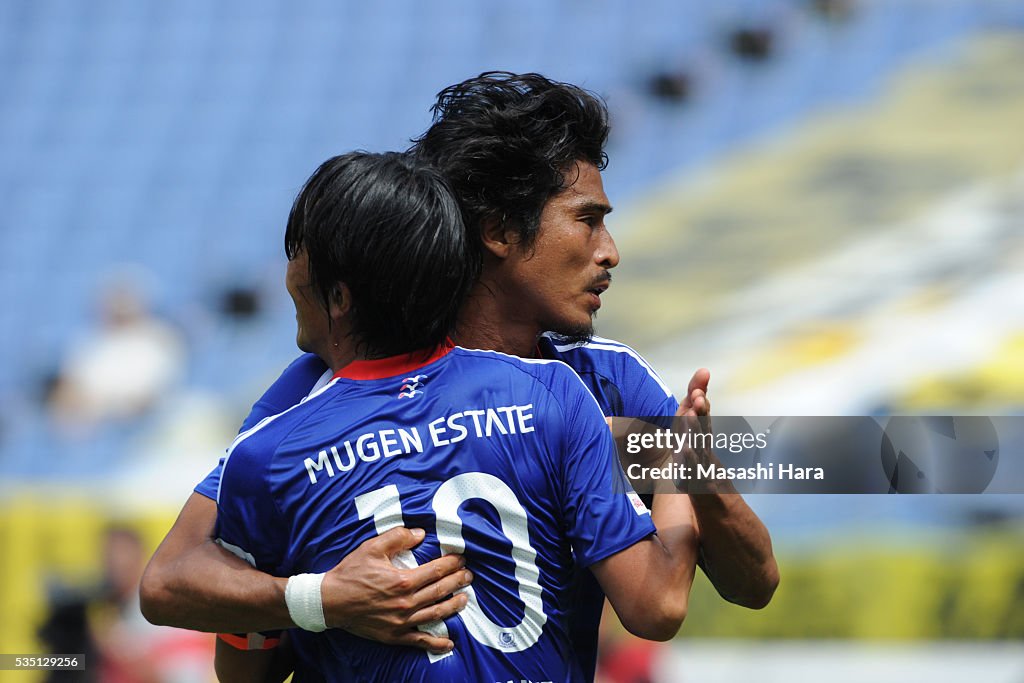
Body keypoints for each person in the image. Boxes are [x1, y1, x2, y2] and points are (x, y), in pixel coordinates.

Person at [140, 72, 778, 678]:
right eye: (587, 219)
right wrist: (320, 598)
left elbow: (754, 584)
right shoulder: (316, 389)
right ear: (499, 231)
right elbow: (182, 578)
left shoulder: (605, 380)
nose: (610, 250)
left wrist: (692, 466)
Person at [213, 150, 696, 682]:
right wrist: (678, 453)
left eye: (298, 256)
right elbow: (658, 603)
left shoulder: (269, 450)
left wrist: (320, 601)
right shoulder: (555, 393)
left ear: (339, 295)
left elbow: (240, 671)